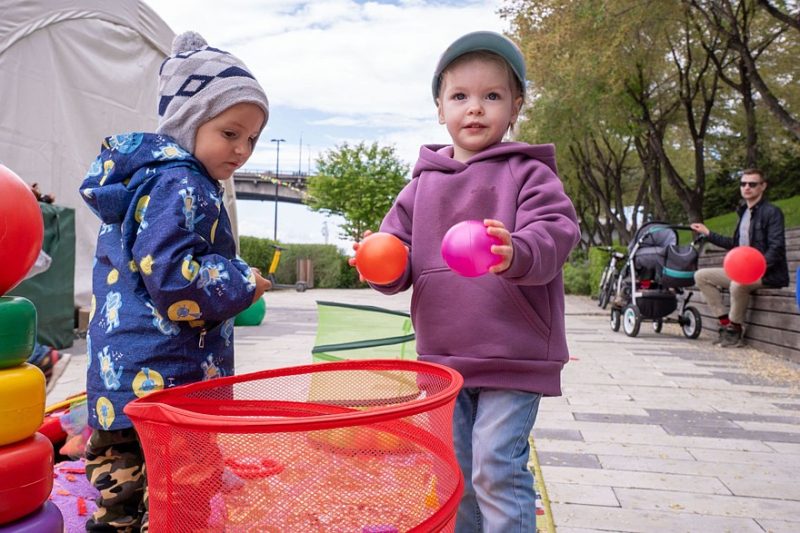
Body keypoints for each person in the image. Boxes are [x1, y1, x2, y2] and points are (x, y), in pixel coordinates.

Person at [351, 31, 581, 532]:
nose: (475, 109)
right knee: (454, 473)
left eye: (492, 96)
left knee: (496, 467)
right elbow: (398, 257)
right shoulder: (422, 185)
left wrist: (516, 250)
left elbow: (558, 233)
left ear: (515, 106)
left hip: (512, 352)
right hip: (444, 357)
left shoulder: (529, 173)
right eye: (460, 96)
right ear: (439, 108)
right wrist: (380, 263)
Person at [78, 31, 270, 532]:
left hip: (120, 382)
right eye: (231, 133)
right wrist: (242, 280)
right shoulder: (182, 183)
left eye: (252, 139)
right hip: (172, 384)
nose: (243, 150)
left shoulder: (145, 181)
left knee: (120, 495)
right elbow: (175, 281)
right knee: (183, 495)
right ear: (188, 123)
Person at [690, 168, 788, 347]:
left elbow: (777, 248)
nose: (747, 187)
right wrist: (708, 233)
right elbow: (735, 244)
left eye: (752, 184)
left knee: (738, 284)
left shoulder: (771, 212)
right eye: (743, 184)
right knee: (701, 275)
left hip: (768, 274)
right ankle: (725, 324)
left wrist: (758, 268)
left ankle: (735, 331)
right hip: (744, 271)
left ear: (763, 186)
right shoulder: (743, 213)